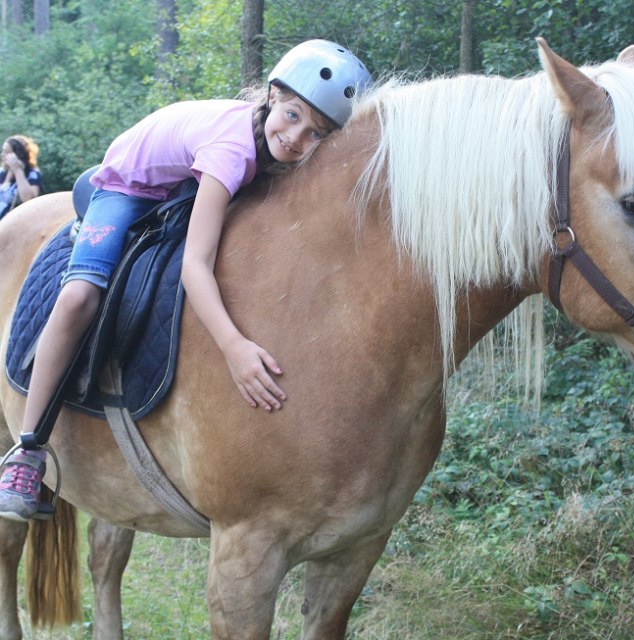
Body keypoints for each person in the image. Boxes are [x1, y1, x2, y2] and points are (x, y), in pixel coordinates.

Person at [0, 39, 371, 522]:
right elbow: (196, 267)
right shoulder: (232, 151)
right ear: (273, 96)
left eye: (318, 134)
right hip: (128, 186)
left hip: (178, 180)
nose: (298, 138)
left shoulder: (273, 147)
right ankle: (27, 452)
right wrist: (235, 348)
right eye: (294, 115)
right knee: (79, 296)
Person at [0, 135, 43, 220]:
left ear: (18, 155)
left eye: (7, 152)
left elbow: (29, 199)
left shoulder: (32, 174)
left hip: (13, 225)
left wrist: (17, 171)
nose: (2, 155)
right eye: (3, 151)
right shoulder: (2, 172)